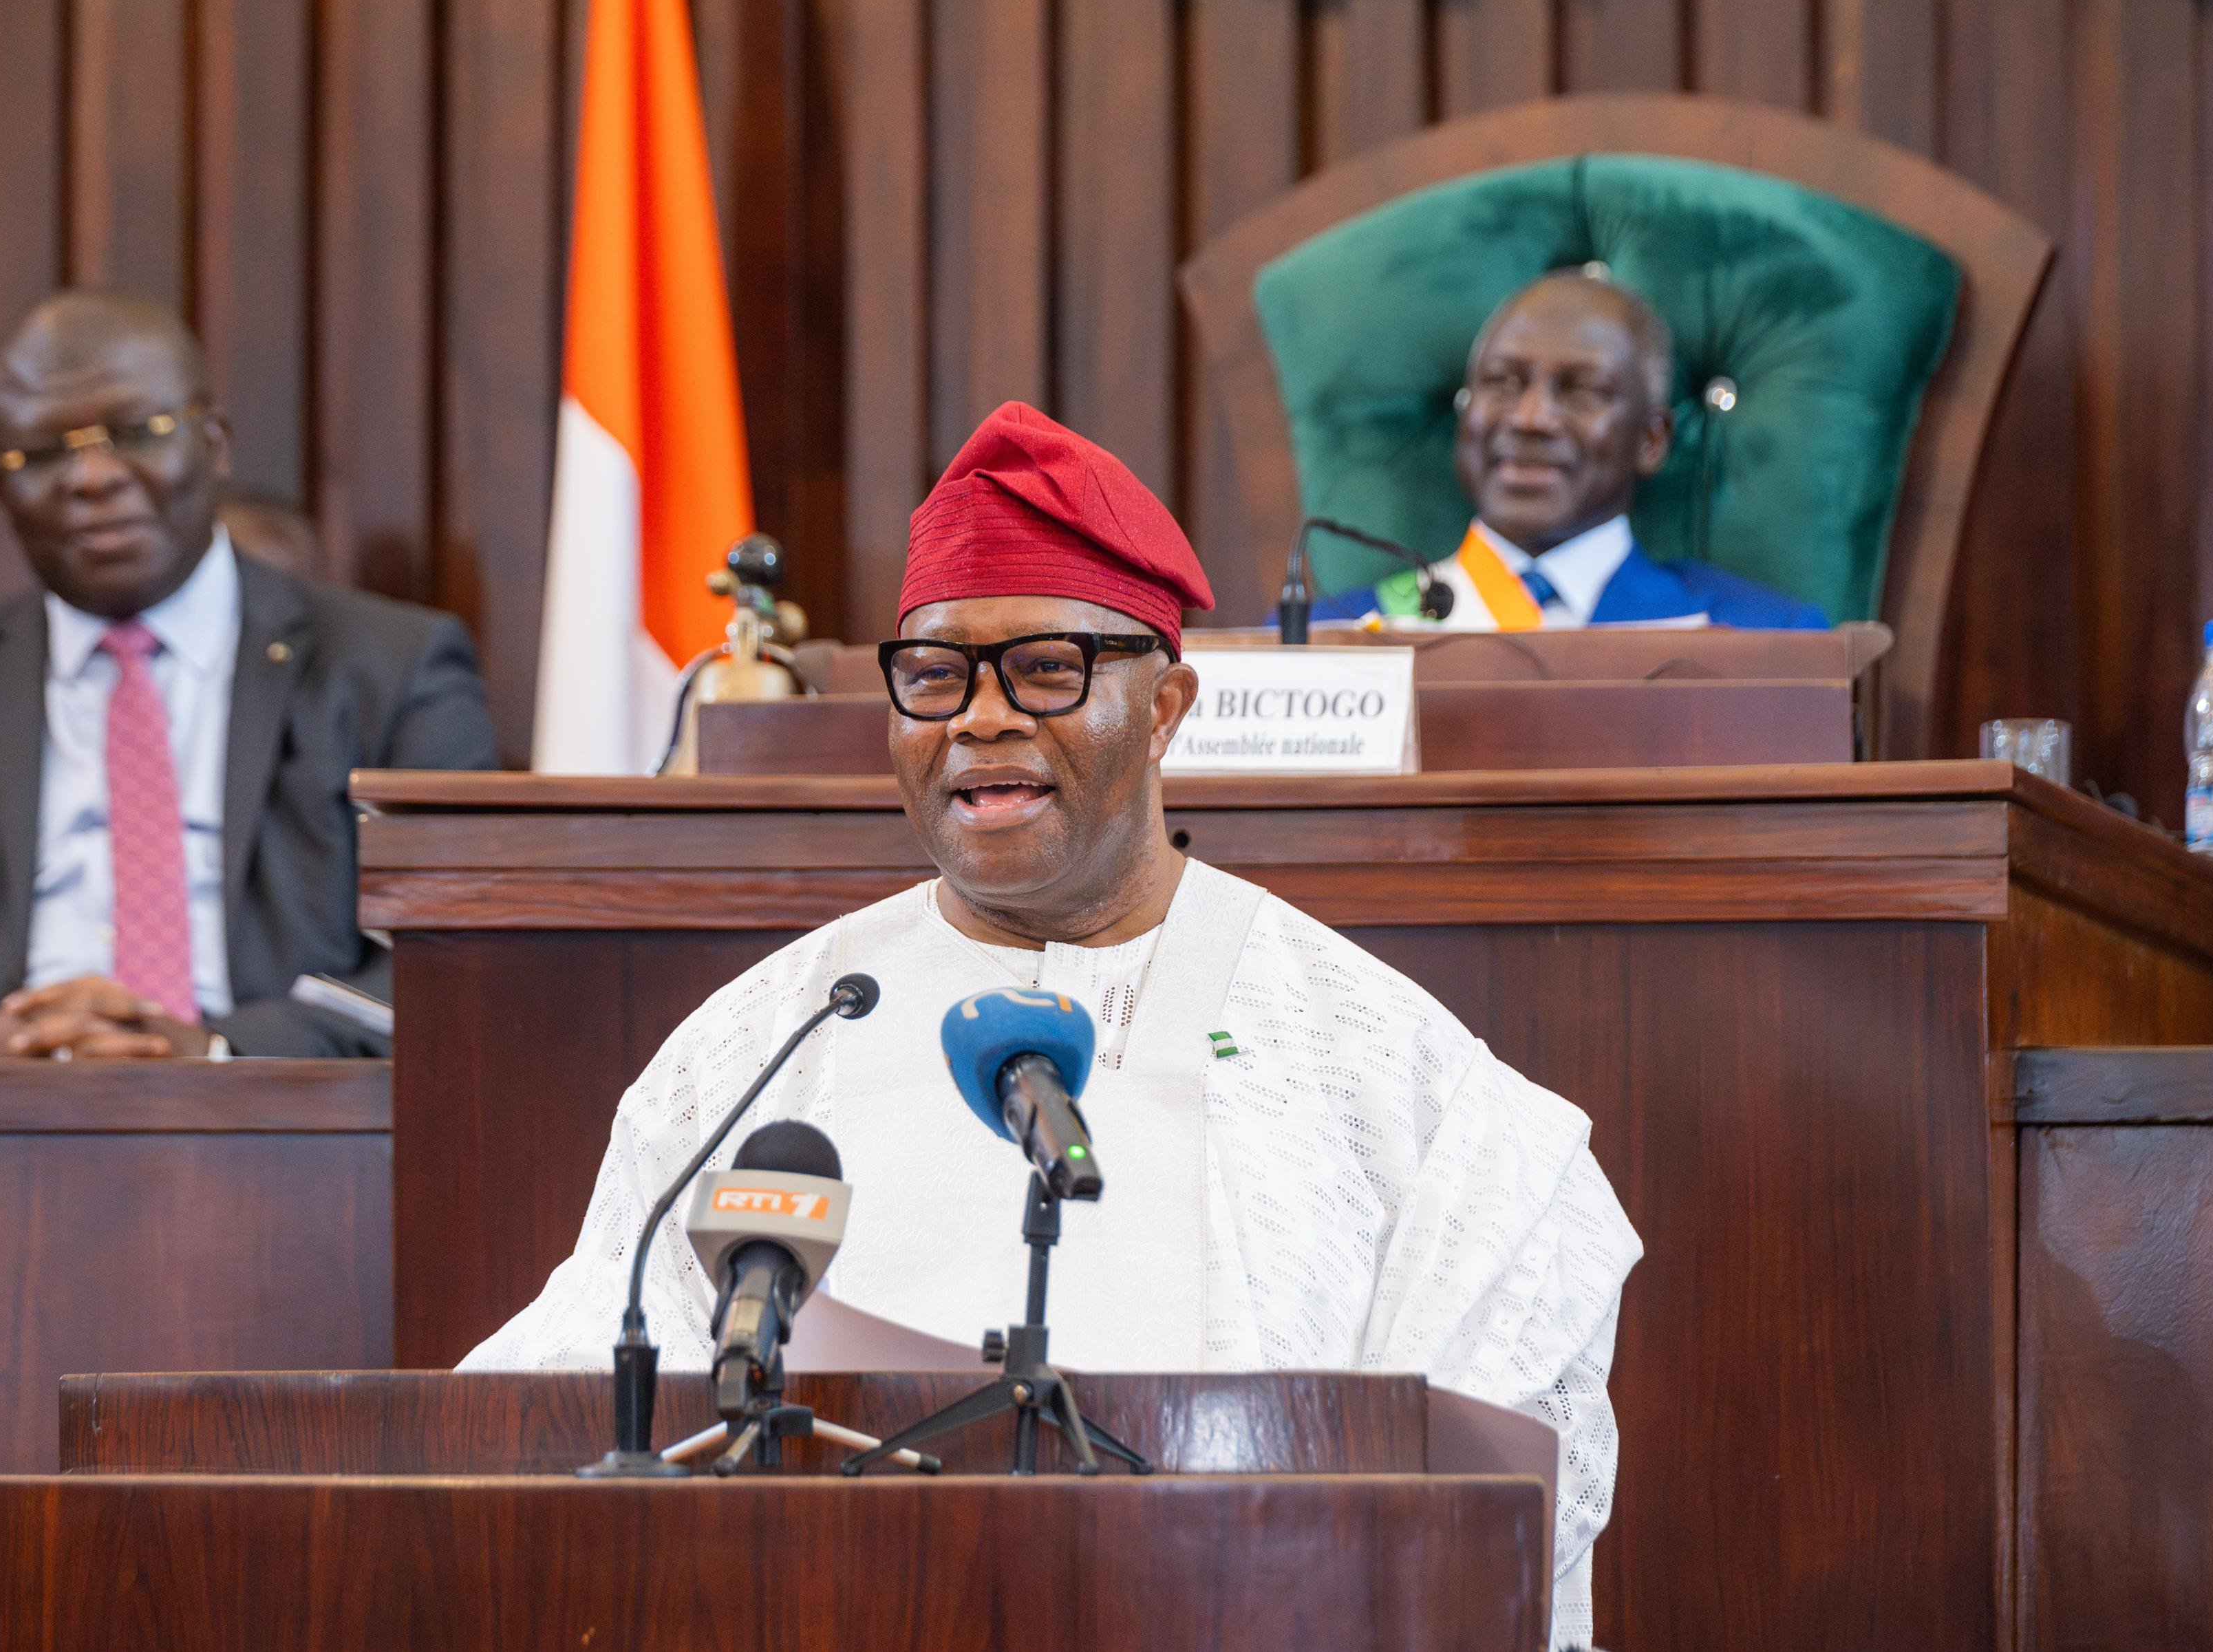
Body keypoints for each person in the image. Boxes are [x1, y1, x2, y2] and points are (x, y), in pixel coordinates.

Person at [464, 400, 1638, 1648]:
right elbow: (567, 1398)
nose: (979, 717)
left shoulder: (1373, 1056)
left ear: (1167, 702)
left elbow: (1492, 1471)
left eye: (1044, 668)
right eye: (933, 675)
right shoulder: (758, 1048)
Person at [0, 290, 497, 1058]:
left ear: (216, 444)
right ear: (1, 495)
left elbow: (446, 953)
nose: (92, 477)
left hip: (286, 1132)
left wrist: (212, 1052)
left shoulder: (391, 669)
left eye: (137, 432)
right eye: (42, 455)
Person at [1315, 268, 1828, 631]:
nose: (1531, 419)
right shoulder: (1336, 638)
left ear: (1650, 441)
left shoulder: (1766, 640)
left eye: (1582, 389)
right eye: (1503, 382)